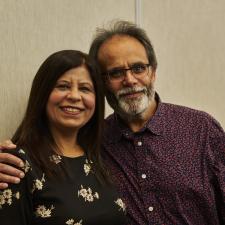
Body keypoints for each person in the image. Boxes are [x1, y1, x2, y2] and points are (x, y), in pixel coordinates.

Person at [0, 21, 225, 224]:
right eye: (116, 72)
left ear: (153, 72)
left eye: (138, 68)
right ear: (103, 83)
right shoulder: (96, 143)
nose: (129, 80)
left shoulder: (201, 129)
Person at [0, 50, 127, 225]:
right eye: (63, 86)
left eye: (84, 88)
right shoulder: (16, 164)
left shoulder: (100, 155)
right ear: (43, 94)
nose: (74, 96)